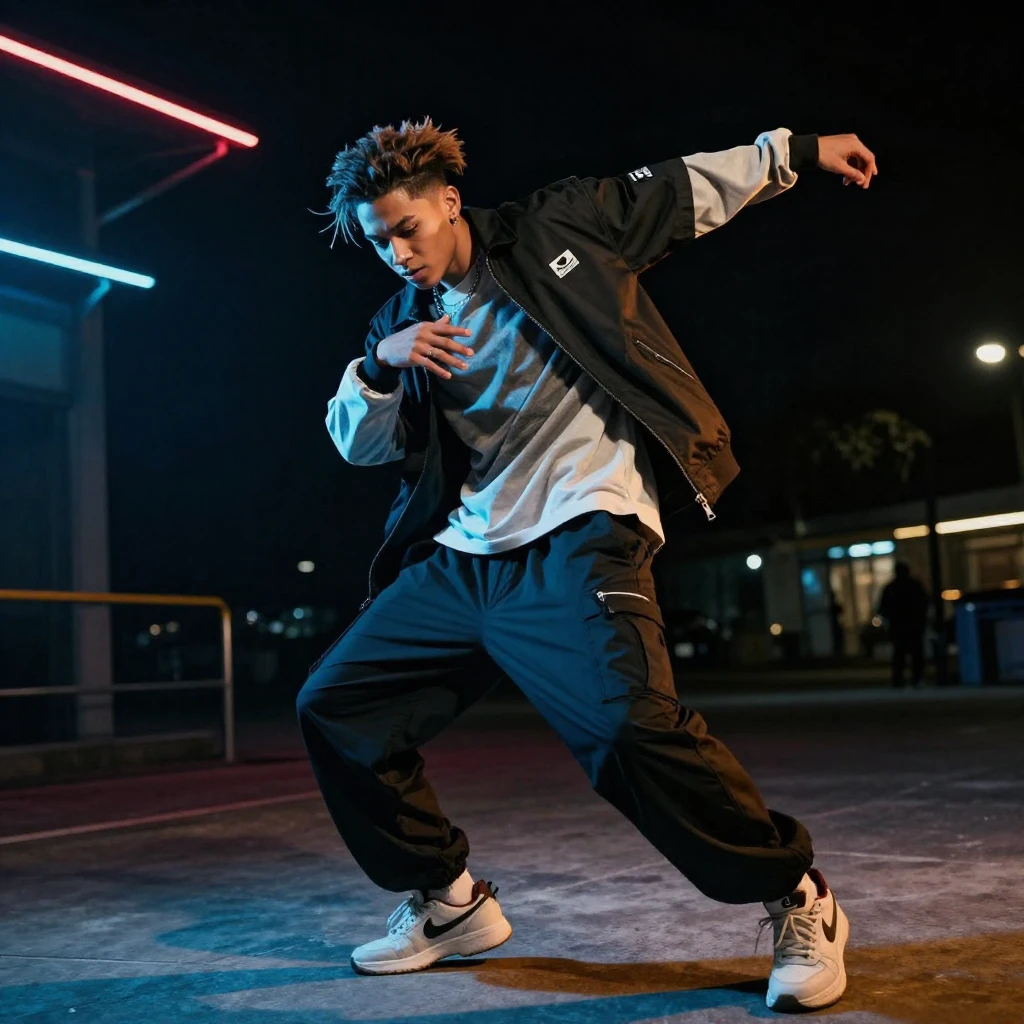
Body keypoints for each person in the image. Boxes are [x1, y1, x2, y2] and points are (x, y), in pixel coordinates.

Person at [297, 118, 877, 1011]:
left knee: (626, 730)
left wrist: (793, 153)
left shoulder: (555, 226)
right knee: (336, 705)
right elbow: (362, 446)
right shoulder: (400, 321)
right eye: (379, 242)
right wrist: (378, 362)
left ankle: (796, 894)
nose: (398, 254)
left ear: (449, 202)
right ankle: (450, 903)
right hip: (467, 554)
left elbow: (681, 190)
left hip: (583, 527)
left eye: (407, 229)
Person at [879, 561, 929, 687]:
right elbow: (924, 604)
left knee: (899, 655)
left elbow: (883, 608)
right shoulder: (914, 586)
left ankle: (899, 680)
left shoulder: (891, 588)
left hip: (899, 627)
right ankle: (915, 679)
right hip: (913, 626)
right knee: (915, 654)